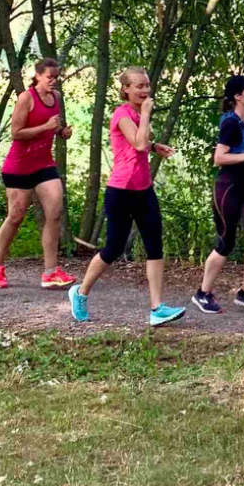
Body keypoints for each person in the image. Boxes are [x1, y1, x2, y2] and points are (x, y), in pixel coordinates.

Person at [68, 67, 185, 328]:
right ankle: (80, 293)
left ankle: (157, 309)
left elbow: (141, 145)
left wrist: (155, 146)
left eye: (147, 85)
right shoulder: (122, 113)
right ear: (126, 89)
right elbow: (138, 143)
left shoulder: (137, 113)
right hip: (121, 191)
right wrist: (146, 118)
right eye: (139, 86)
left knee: (154, 246)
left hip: (144, 190)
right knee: (113, 249)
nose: (145, 90)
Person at [0, 59, 76, 291]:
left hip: (44, 164)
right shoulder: (26, 98)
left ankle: (50, 272)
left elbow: (54, 127)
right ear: (37, 76)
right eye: (49, 77)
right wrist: (46, 127)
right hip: (19, 165)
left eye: (56, 77)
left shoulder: (56, 97)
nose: (53, 81)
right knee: (16, 216)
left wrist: (61, 132)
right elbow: (16, 133)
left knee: (55, 213)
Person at [193, 75, 244, 315]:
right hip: (227, 189)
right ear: (237, 96)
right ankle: (202, 293)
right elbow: (219, 158)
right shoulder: (230, 123)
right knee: (226, 242)